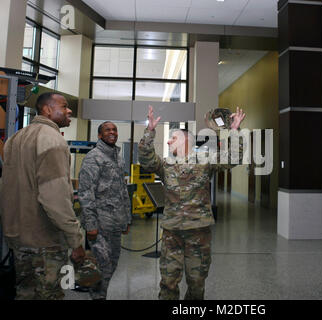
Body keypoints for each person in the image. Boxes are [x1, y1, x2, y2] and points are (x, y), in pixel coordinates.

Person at [138, 106, 245, 300]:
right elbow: (146, 160)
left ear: (186, 140)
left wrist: (235, 130)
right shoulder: (165, 165)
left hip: (198, 232)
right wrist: (149, 132)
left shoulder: (205, 161)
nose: (169, 141)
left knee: (197, 284)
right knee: (168, 283)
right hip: (172, 234)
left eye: (173, 138)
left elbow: (233, 158)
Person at [0, 92, 85, 300]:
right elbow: (55, 197)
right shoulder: (53, 141)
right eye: (64, 106)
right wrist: (75, 239)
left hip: (18, 237)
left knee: (24, 292)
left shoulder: (14, 139)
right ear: (47, 110)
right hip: (45, 241)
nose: (69, 110)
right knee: (50, 294)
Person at [78, 121, 131, 300]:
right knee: (101, 265)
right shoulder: (94, 157)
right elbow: (85, 193)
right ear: (99, 135)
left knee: (112, 264)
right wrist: (91, 225)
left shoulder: (117, 156)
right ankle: (98, 297)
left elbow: (123, 191)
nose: (112, 132)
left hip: (115, 223)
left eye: (114, 129)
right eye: (107, 130)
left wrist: (127, 219)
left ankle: (100, 294)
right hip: (99, 224)